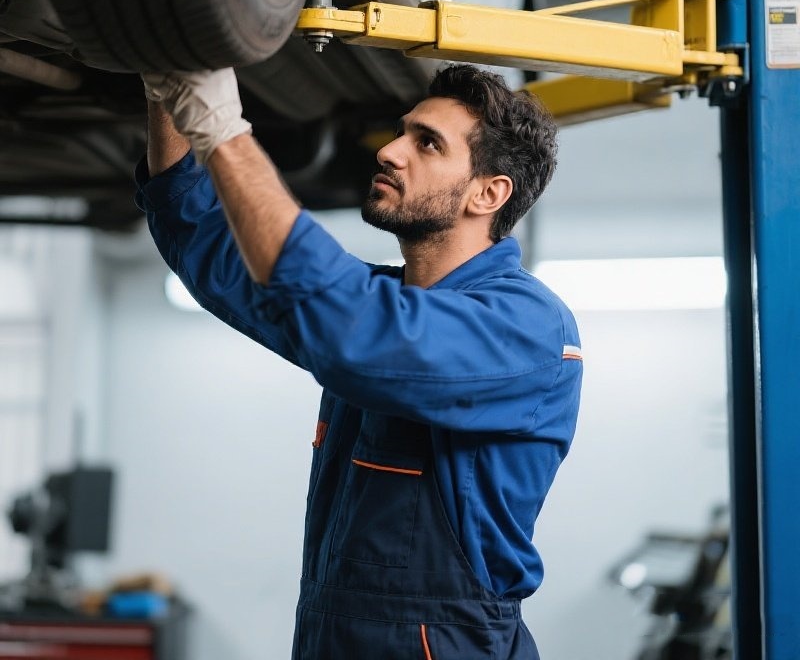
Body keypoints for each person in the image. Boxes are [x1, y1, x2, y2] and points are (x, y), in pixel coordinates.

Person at [135, 63, 582, 660]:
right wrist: (167, 90)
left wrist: (223, 127)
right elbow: (213, 250)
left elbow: (353, 326)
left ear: (488, 193)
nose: (392, 151)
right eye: (403, 132)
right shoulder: (378, 309)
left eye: (428, 143)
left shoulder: (526, 327)